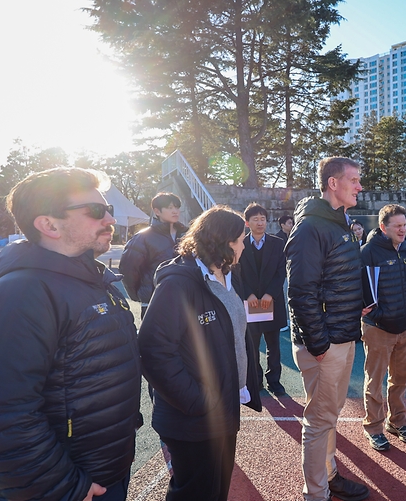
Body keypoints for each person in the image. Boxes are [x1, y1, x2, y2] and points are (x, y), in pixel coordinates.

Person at [0, 168, 142, 501]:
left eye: (107, 208)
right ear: (49, 225)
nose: (110, 217)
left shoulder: (94, 282)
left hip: (104, 473)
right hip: (63, 488)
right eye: (96, 211)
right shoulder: (19, 296)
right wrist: (64, 488)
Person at [138, 205, 262, 501]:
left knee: (215, 490)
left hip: (222, 409)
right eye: (241, 240)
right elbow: (153, 350)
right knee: (194, 493)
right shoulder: (179, 283)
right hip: (194, 417)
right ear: (225, 242)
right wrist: (199, 401)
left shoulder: (227, 276)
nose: (244, 245)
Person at [286, 156, 372, 501]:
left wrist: (354, 307)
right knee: (320, 420)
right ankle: (316, 494)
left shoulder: (338, 223)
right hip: (325, 343)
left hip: (343, 334)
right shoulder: (311, 227)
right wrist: (319, 345)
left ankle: (330, 476)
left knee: (328, 415)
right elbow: (301, 292)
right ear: (333, 183)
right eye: (354, 179)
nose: (360, 186)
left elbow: (332, 282)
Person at [359, 204, 406, 451]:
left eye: (405, 225)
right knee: (375, 381)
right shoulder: (368, 252)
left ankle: (396, 422)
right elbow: (362, 289)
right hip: (378, 329)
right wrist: (379, 314)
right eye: (398, 226)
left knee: (400, 380)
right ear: (383, 227)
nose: (403, 230)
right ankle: (373, 427)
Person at [237, 203, 288, 396]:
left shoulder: (277, 243)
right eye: (255, 219)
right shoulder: (240, 244)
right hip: (249, 302)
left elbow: (280, 272)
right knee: (252, 344)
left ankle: (274, 381)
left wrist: (270, 294)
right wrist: (248, 294)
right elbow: (237, 273)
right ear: (247, 223)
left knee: (273, 344)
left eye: (263, 219)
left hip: (271, 302)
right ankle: (255, 380)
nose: (260, 223)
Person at [119, 192, 188, 318]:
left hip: (185, 301)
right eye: (169, 207)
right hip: (154, 301)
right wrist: (140, 295)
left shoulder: (187, 235)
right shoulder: (143, 237)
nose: (175, 211)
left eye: (177, 207)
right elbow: (128, 269)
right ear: (157, 211)